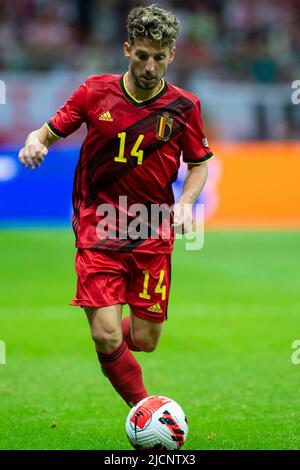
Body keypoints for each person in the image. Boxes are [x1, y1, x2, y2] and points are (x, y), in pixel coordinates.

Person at [18, 4, 213, 408]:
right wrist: (35, 142)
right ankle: (147, 413)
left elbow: (198, 166)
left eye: (159, 57)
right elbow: (47, 132)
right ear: (127, 49)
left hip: (153, 227)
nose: (149, 66)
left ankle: (110, 352)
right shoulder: (95, 91)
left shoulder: (184, 107)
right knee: (106, 333)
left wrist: (186, 203)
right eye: (142, 55)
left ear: (171, 55)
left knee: (144, 340)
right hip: (98, 222)